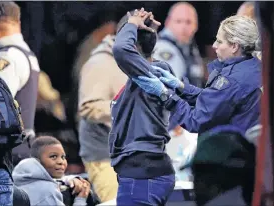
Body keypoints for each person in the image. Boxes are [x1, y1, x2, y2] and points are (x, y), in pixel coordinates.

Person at [133, 15, 262, 135]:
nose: (214, 46)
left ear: (234, 46)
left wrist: (165, 95)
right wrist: (182, 87)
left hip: (233, 152)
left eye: (219, 41)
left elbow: (196, 120)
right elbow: (216, 100)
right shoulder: (254, 67)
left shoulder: (232, 80)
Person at [110, 8, 175, 205]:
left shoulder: (151, 73)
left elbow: (121, 50)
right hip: (145, 170)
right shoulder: (152, 71)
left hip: (142, 173)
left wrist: (131, 24)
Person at [0, 1, 40, 164]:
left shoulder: (5, 58)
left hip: (1, 157)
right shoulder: (23, 54)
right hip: (15, 152)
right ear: (17, 23)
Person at [78, 34, 127, 202]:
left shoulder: (140, 61)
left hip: (132, 154)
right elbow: (88, 107)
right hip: (103, 154)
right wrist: (127, 107)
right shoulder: (101, 63)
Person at [12, 136, 91, 206]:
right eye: (53, 156)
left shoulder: (21, 179)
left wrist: (69, 179)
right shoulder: (48, 192)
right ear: (38, 161)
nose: (61, 162)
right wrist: (80, 199)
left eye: (63, 157)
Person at [153, 2, 204, 88]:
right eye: (178, 21)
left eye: (188, 22)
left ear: (196, 25)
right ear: (168, 22)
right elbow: (169, 88)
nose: (183, 27)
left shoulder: (189, 46)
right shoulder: (164, 48)